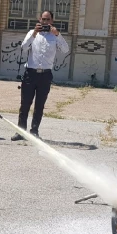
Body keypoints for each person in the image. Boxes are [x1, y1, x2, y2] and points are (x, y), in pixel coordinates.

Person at [9, 10, 69, 141]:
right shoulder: (32, 33)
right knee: (25, 104)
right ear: (39, 20)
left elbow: (66, 50)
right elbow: (24, 47)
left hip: (45, 75)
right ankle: (21, 132)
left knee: (39, 105)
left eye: (48, 20)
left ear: (52, 21)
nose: (45, 22)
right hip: (30, 74)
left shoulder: (55, 36)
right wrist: (34, 33)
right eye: (43, 19)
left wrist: (57, 34)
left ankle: (34, 131)